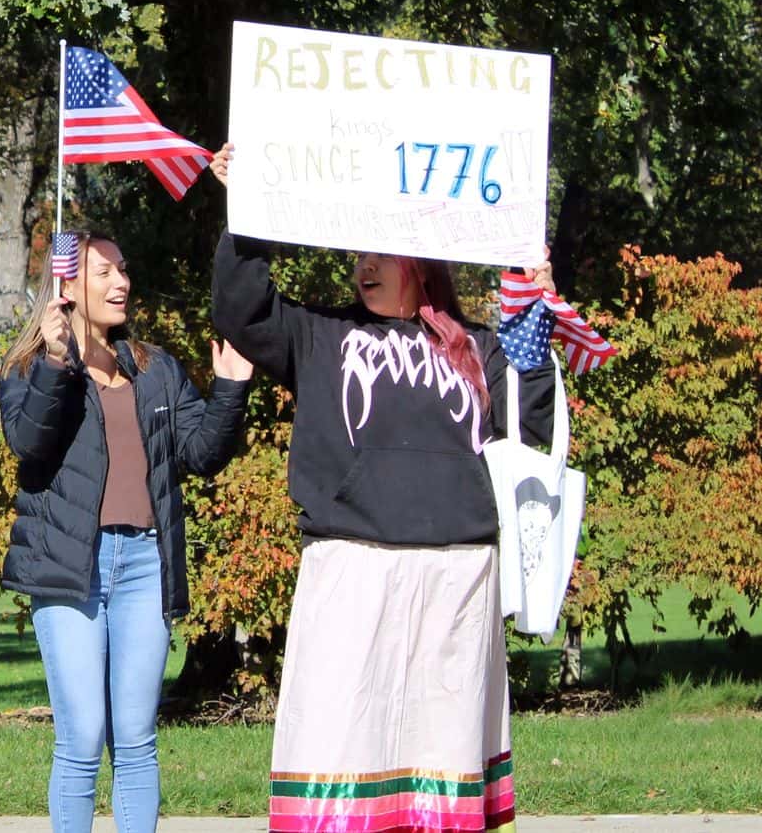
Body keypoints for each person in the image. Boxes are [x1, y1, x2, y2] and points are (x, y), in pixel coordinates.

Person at [208, 143, 555, 832]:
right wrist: (244, 213)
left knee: (442, 765)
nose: (364, 266)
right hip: (352, 569)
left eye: (381, 253)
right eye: (358, 253)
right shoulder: (320, 333)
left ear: (420, 262)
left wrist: (534, 306)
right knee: (342, 754)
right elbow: (241, 313)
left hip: (457, 575)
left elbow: (533, 415)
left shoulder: (479, 348)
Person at [0, 229, 253, 833]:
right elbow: (27, 443)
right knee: (82, 736)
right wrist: (60, 364)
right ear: (68, 285)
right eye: (104, 272)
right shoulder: (31, 367)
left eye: (123, 269)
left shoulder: (154, 368)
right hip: (70, 570)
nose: (122, 283)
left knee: (136, 737)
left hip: (144, 565)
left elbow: (200, 454)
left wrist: (230, 390)